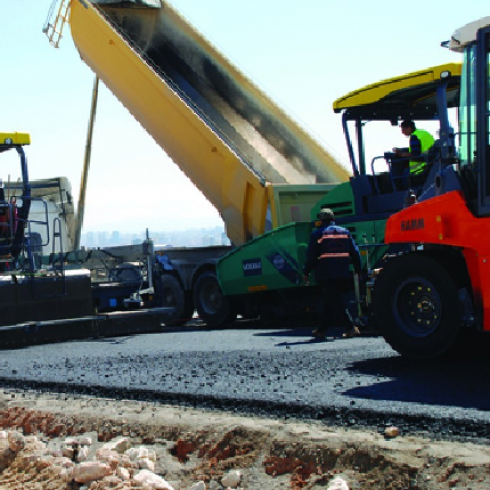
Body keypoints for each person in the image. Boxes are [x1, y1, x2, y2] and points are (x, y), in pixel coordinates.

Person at [303, 208, 362, 340]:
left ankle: (350, 327)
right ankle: (321, 330)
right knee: (330, 300)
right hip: (343, 272)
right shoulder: (345, 232)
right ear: (333, 219)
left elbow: (311, 256)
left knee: (335, 300)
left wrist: (306, 271)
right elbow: (355, 252)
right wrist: (358, 270)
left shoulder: (318, 234)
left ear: (321, 220)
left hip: (326, 273)